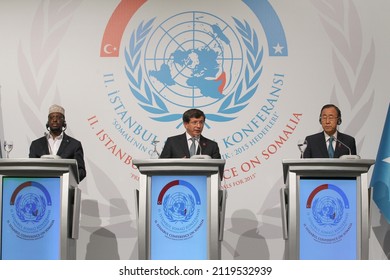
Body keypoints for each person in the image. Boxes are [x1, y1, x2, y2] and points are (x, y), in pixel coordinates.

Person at [29, 104, 86, 181]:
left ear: (64, 122)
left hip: (64, 188)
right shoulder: (36, 145)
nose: (55, 120)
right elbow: (30, 169)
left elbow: (81, 171)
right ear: (48, 122)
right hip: (42, 187)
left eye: (58, 117)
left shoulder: (74, 145)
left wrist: (67, 180)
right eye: (51, 117)